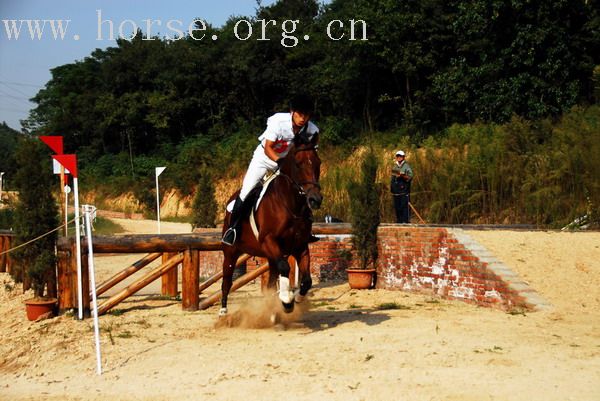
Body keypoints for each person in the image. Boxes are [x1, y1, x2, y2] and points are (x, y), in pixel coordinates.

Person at [222, 94, 319, 245]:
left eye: (306, 115)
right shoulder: (278, 122)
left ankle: (306, 229)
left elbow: (309, 153)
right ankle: (233, 229)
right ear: (292, 112)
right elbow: (268, 147)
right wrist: (278, 161)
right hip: (265, 159)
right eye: (300, 114)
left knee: (301, 190)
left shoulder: (312, 130)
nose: (303, 118)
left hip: (287, 163)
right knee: (247, 189)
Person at [390, 150, 413, 223]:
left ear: (403, 157)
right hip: (396, 192)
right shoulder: (395, 166)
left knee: (405, 208)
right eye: (397, 156)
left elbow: (410, 177)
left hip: (404, 191)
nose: (399, 157)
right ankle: (399, 222)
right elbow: (393, 177)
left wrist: (402, 175)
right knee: (397, 208)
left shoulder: (406, 166)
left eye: (400, 156)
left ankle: (405, 222)